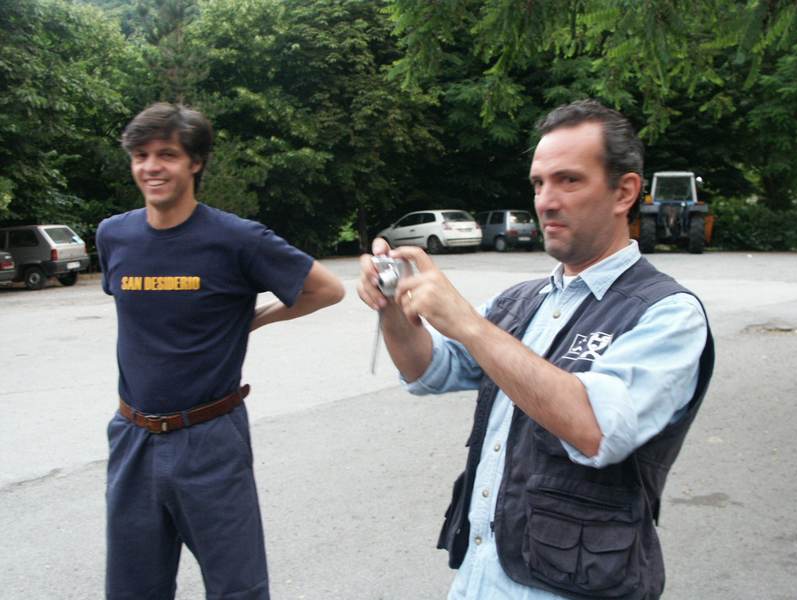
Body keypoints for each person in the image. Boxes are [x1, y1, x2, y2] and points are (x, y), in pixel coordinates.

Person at [358, 99, 714, 599]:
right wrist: (392, 308)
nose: (546, 201)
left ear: (625, 191)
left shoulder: (668, 313)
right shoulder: (521, 301)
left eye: (569, 180)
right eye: (539, 183)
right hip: (478, 578)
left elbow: (596, 430)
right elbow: (427, 370)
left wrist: (468, 324)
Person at [97, 102, 345, 600]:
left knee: (238, 589)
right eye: (141, 155)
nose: (151, 167)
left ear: (195, 162)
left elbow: (327, 289)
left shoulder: (237, 239)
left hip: (209, 439)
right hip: (133, 438)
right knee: (132, 589)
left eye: (167, 154)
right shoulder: (114, 235)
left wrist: (258, 317)